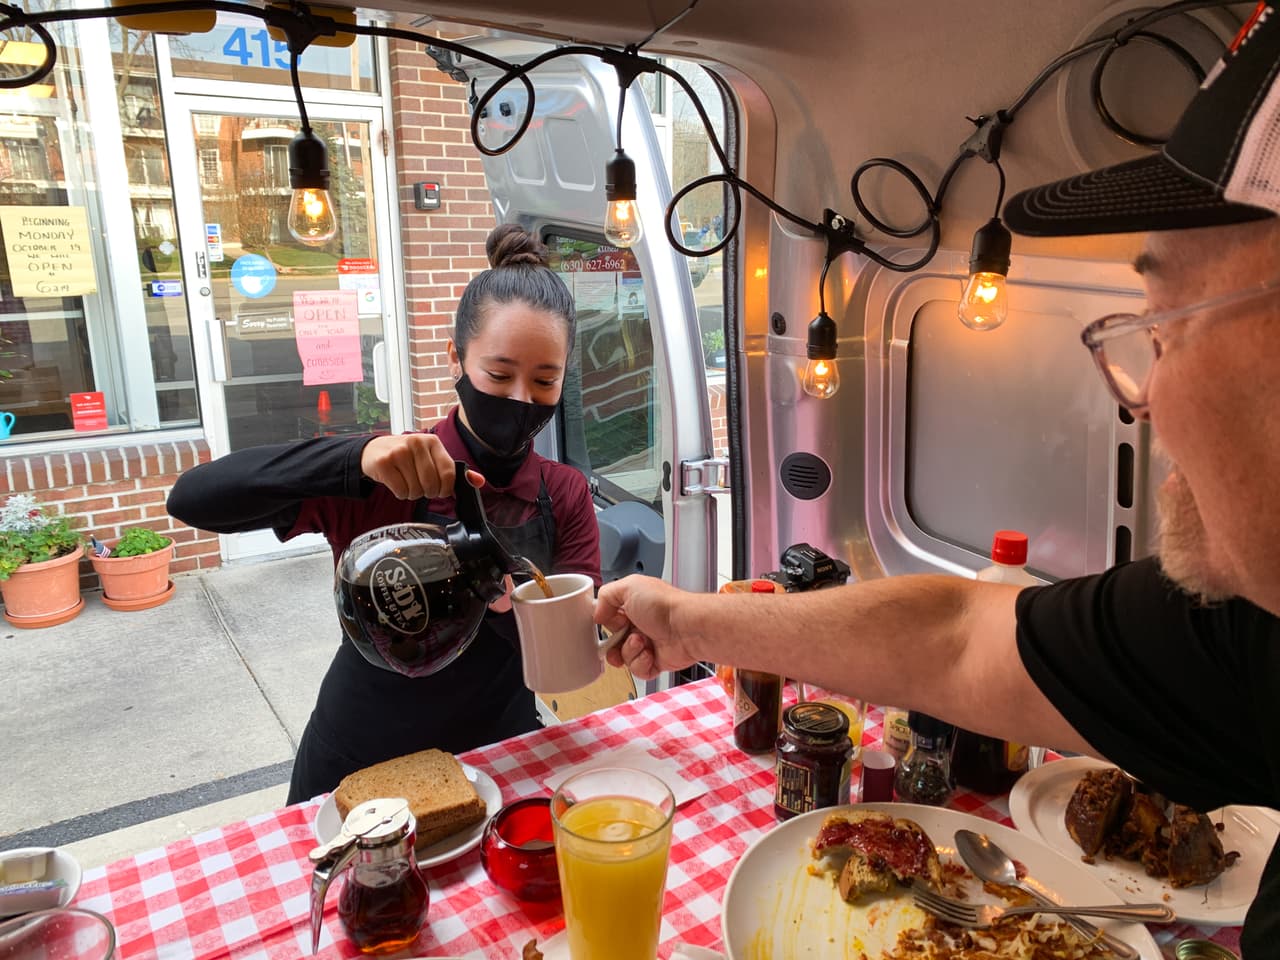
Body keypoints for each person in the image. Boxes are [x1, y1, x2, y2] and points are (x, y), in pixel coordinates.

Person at [599, 9, 1280, 952]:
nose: (1143, 398)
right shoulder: (1252, 631)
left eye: (1164, 327)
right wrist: (686, 622)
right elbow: (960, 637)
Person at [168, 224, 600, 804]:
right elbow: (194, 498)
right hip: (361, 759)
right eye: (499, 375)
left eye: (544, 380)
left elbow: (574, 641)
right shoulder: (387, 476)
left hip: (500, 755)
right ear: (456, 358)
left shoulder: (564, 493)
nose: (520, 398)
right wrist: (354, 456)